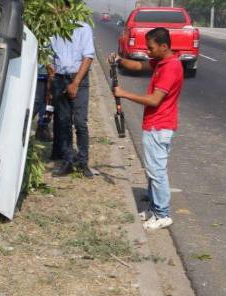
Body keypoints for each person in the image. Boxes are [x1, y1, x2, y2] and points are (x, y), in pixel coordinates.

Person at [109, 27, 183, 231]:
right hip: (155, 125)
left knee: (157, 172)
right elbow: (139, 66)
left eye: (151, 48)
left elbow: (153, 99)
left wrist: (123, 93)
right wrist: (119, 60)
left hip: (160, 126)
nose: (148, 52)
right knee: (152, 170)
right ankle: (153, 209)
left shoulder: (171, 67)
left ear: (164, 46)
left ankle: (162, 214)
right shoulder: (162, 61)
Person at [51, 20, 96, 177]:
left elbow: (88, 57)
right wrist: (53, 76)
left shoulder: (83, 28)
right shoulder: (53, 26)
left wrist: (75, 82)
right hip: (59, 78)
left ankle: (83, 163)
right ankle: (68, 161)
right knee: (63, 122)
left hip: (79, 78)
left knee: (80, 122)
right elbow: (47, 54)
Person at [33, 61, 54, 141]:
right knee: (36, 102)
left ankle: (43, 127)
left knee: (50, 104)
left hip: (52, 73)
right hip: (40, 73)